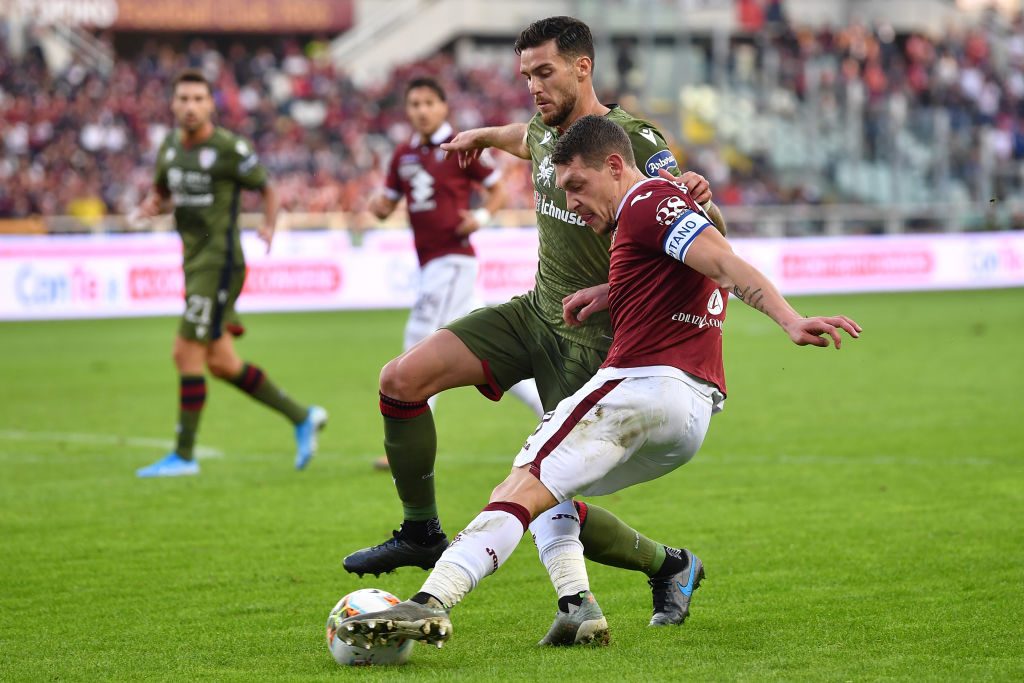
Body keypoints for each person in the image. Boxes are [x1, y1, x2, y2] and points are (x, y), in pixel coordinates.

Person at [334, 114, 862, 651]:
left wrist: (790, 319)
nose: (571, 202)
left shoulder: (646, 201)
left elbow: (723, 262)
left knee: (522, 483)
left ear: (614, 166)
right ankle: (590, 602)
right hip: (690, 415)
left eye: (577, 186)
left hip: (642, 387)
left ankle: (432, 600)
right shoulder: (647, 214)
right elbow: (691, 265)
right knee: (548, 493)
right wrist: (610, 293)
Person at [343, 16, 726, 632]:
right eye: (525, 76)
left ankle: (662, 567)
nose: (533, 87)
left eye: (544, 73)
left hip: (596, 341)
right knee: (401, 380)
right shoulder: (545, 128)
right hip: (534, 312)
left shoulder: (633, 141)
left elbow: (701, 233)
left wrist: (703, 201)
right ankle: (420, 531)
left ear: (583, 67)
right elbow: (525, 138)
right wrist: (481, 136)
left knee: (546, 489)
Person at [135, 69, 327, 478]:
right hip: (193, 261)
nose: (190, 106)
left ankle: (184, 455)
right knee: (222, 363)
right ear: (172, 104)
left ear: (210, 105)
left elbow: (268, 187)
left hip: (219, 263)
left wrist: (269, 225)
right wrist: (153, 205)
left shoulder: (228, 147)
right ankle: (302, 416)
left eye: (198, 99)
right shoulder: (169, 147)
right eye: (183, 99)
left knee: (185, 351)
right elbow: (164, 195)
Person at [366, 77, 544, 459]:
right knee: (491, 351)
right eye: (414, 104)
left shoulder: (460, 144)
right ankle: (550, 409)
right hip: (431, 263)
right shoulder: (403, 155)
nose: (422, 110)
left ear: (443, 107)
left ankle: (408, 444)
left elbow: (497, 190)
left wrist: (480, 217)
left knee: (418, 341)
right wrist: (376, 206)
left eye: (429, 102)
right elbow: (386, 204)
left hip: (453, 260)